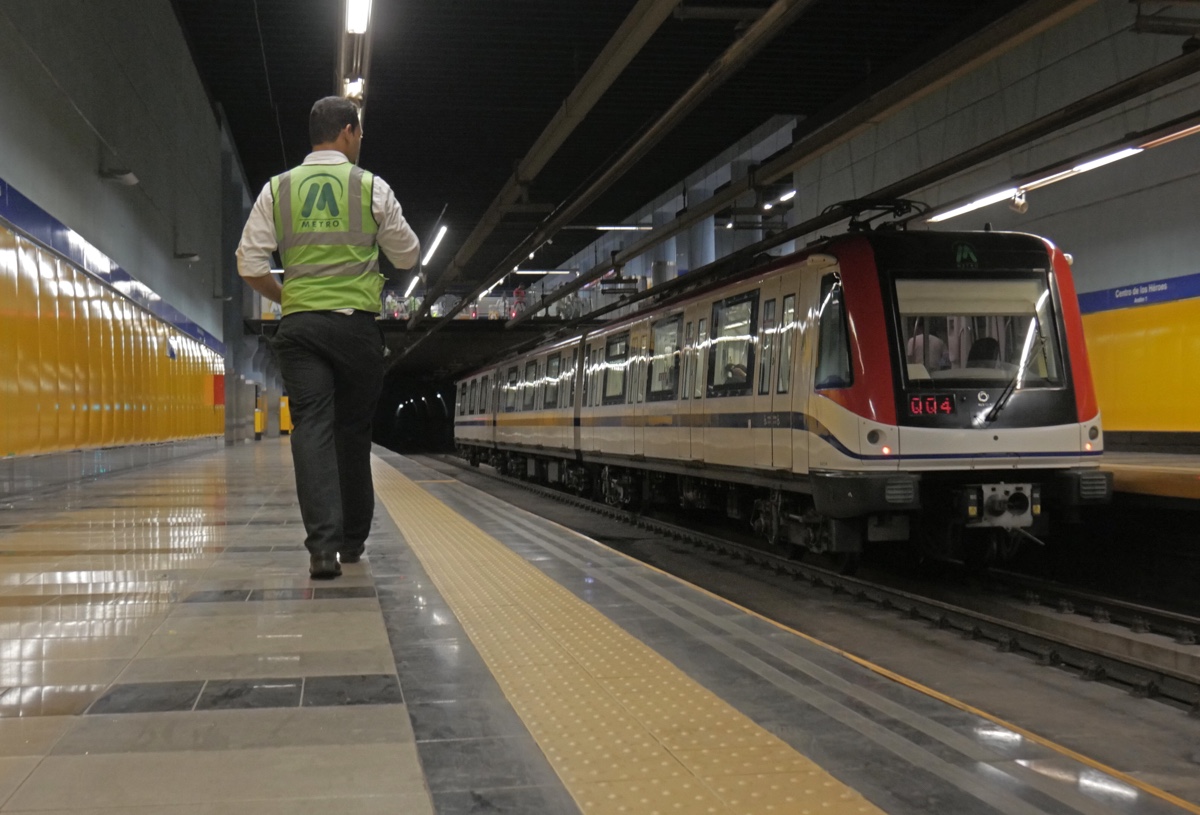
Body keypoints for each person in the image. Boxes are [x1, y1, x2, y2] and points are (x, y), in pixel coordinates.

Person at [236, 96, 420, 579]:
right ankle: (353, 541)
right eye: (359, 134)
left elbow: (249, 264)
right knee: (352, 431)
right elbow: (408, 256)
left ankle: (322, 549)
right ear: (347, 132)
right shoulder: (371, 187)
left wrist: (288, 296)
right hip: (355, 329)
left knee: (311, 429)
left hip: (301, 330)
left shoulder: (277, 189)